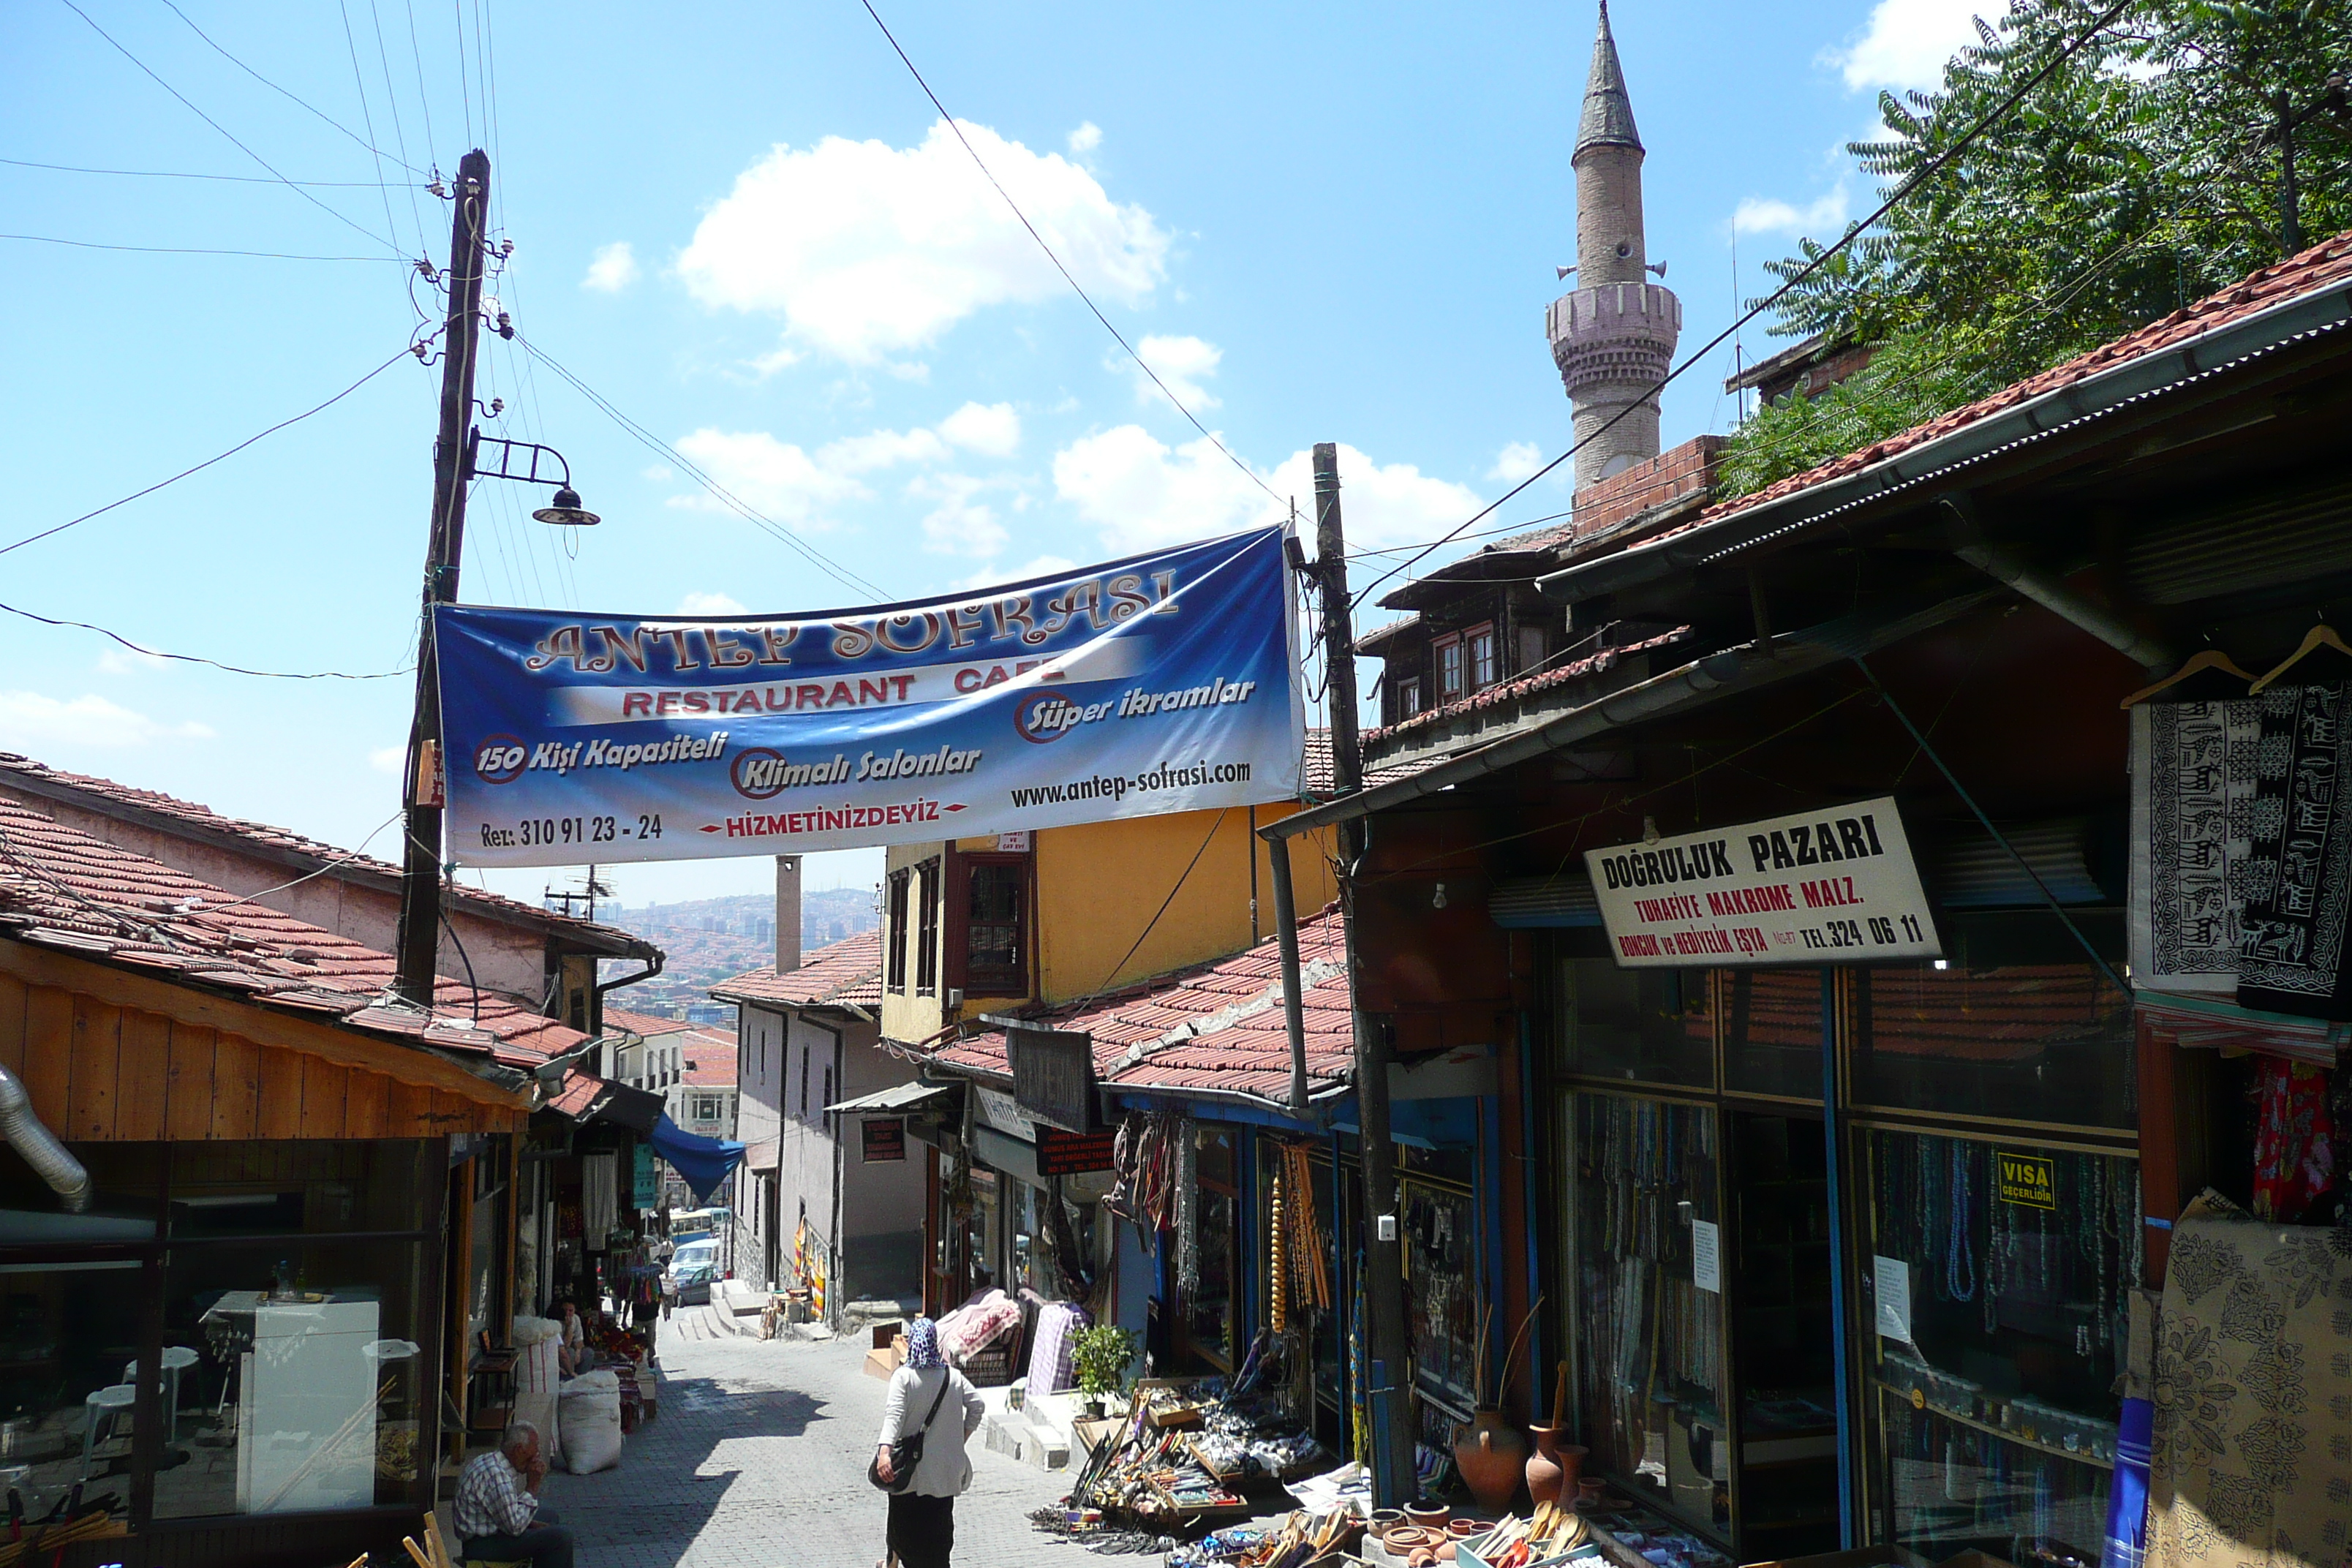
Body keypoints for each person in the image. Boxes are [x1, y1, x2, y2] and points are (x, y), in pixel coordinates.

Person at [873, 1318, 986, 1568]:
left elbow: (894, 1415)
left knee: (904, 1528)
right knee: (939, 1529)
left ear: (913, 1344)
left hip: (909, 1475)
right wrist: (961, 1438)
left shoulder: (903, 1377)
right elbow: (977, 1406)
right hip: (944, 1474)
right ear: (935, 1343)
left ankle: (894, 1561)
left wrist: (884, 1453)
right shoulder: (953, 1377)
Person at [454, 1420, 574, 1568]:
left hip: (491, 1530)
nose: (536, 1456)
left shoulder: (494, 1461)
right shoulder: (496, 1475)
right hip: (482, 1546)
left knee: (549, 1517)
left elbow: (505, 1512)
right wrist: (532, 1485)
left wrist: (533, 1523)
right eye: (534, 1451)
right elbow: (515, 1527)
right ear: (519, 1450)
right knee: (560, 1538)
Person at [557, 1300, 587, 1376]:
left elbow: (580, 1340)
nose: (568, 1313)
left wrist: (578, 1351)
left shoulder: (576, 1319)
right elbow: (565, 1345)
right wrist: (569, 1327)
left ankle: (582, 1378)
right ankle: (570, 1377)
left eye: (571, 1311)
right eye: (565, 1310)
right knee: (570, 1352)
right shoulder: (557, 1322)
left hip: (573, 1348)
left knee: (588, 1352)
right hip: (560, 1352)